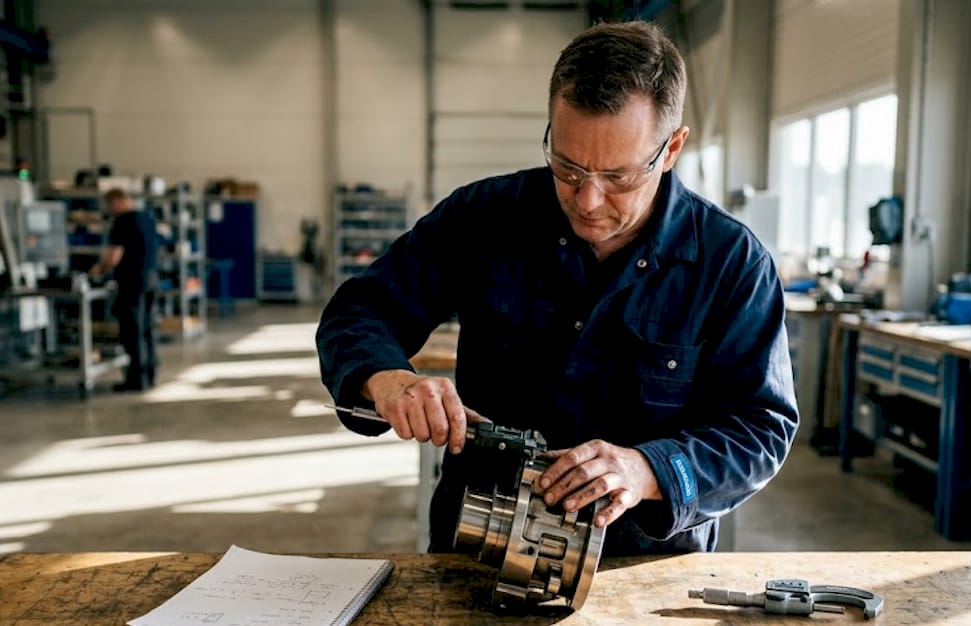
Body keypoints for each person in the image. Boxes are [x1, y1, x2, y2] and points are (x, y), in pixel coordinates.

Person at [317, 21, 797, 555]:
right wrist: (387, 380)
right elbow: (359, 310)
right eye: (568, 168)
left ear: (672, 148)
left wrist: (648, 469)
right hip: (479, 547)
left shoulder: (730, 262)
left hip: (640, 566)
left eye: (618, 177)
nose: (588, 200)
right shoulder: (484, 218)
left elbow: (761, 427)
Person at [90, 188, 160, 392]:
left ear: (117, 202)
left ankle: (136, 380)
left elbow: (114, 257)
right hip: (151, 279)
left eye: (108, 206)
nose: (108, 211)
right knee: (147, 329)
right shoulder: (146, 218)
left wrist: (98, 270)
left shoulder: (122, 222)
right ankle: (150, 374)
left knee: (133, 331)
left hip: (132, 283)